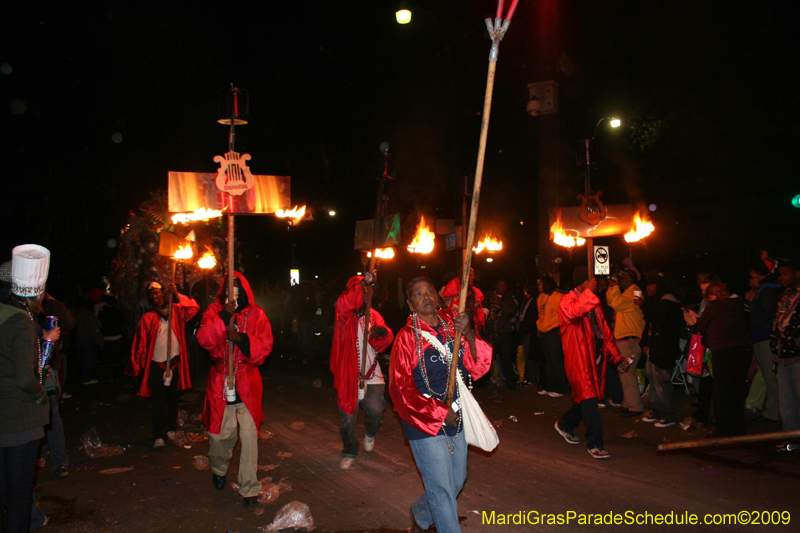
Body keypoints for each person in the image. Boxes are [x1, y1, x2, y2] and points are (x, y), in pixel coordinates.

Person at [389, 277, 491, 533]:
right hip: (424, 422)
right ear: (410, 304)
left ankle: (421, 512)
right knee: (442, 490)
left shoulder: (452, 324)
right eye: (418, 294)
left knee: (456, 481)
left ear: (437, 296)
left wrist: (469, 333)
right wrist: (440, 413)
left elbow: (477, 367)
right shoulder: (407, 337)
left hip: (457, 416)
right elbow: (400, 390)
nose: (425, 297)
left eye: (429, 291)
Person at [196, 272, 273, 508]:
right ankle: (219, 469)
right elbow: (204, 339)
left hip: (247, 382)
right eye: (230, 287)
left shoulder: (257, 314)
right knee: (220, 437)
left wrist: (242, 339)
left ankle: (249, 489)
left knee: (249, 439)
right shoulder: (214, 310)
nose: (234, 291)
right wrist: (224, 317)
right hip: (221, 381)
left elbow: (264, 348)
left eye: (237, 287)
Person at [0, 244, 52, 532]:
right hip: (18, 419)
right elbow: (24, 378)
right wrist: (40, 394)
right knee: (19, 498)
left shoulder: (4, 312)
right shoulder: (22, 323)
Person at [554, 267, 623, 460]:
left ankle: (565, 424)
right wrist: (589, 294)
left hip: (595, 359)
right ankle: (595, 442)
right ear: (583, 282)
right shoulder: (567, 301)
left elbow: (605, 334)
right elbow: (575, 313)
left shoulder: (593, 303)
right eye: (591, 280)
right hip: (578, 359)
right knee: (589, 396)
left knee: (585, 398)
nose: (594, 283)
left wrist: (617, 359)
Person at [330, 272, 394, 470]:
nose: (365, 294)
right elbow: (344, 302)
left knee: (376, 411)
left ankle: (370, 433)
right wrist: (365, 281)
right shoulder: (343, 315)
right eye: (360, 291)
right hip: (348, 376)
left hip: (372, 374)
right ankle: (349, 451)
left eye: (368, 291)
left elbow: (383, 342)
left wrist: (383, 333)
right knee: (347, 419)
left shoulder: (374, 315)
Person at [127, 281, 199, 449]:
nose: (155, 296)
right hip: (156, 365)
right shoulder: (147, 318)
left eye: (157, 293)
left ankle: (170, 428)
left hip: (174, 363)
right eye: (152, 294)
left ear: (163, 294)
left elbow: (193, 308)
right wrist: (137, 368)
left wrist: (178, 294)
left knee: (172, 399)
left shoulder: (176, 311)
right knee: (158, 401)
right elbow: (140, 345)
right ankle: (158, 435)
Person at [686, 282, 751, 437]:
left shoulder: (715, 306)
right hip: (742, 352)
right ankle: (738, 429)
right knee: (736, 393)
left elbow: (703, 326)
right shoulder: (737, 304)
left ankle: (723, 430)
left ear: (711, 296)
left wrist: (694, 320)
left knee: (722, 394)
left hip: (723, 352)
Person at [640, 277, 683, 427]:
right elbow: (650, 325)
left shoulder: (668, 303)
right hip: (654, 349)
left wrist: (643, 305)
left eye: (652, 284)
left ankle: (668, 415)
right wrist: (645, 344)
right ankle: (657, 412)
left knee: (662, 383)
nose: (649, 288)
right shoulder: (658, 302)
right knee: (653, 381)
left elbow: (658, 319)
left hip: (663, 349)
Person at [606, 269, 646, 416]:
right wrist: (612, 287)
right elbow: (611, 301)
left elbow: (617, 304)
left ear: (631, 279)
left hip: (629, 339)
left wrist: (615, 287)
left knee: (628, 373)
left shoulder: (635, 291)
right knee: (625, 373)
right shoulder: (626, 293)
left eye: (623, 277)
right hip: (624, 338)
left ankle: (635, 406)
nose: (621, 279)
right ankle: (628, 404)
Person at [746, 267, 783, 422]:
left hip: (766, 337)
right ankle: (772, 411)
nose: (750, 281)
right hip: (760, 337)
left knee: (770, 377)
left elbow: (763, 316)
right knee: (767, 376)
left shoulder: (768, 292)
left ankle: (777, 413)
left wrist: (751, 303)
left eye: (753, 277)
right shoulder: (764, 291)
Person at [771, 263, 800, 439]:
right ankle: (791, 440)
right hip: (782, 356)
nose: (781, 277)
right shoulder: (785, 296)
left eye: (785, 273)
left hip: (797, 357)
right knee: (787, 403)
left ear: (797, 274)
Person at [536, 276, 568, 397]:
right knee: (548, 361)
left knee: (556, 360)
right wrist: (539, 328)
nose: (538, 286)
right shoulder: (540, 297)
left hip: (553, 331)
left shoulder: (558, 297)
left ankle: (561, 388)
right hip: (543, 331)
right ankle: (549, 387)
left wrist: (559, 328)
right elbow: (540, 314)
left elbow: (563, 313)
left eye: (540, 284)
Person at [486, 279, 518, 389]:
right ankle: (484, 382)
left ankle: (511, 383)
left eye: (504, 285)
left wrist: (500, 303)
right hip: (491, 332)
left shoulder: (508, 299)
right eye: (500, 285)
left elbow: (512, 311)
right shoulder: (489, 297)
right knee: (488, 358)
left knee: (506, 358)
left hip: (504, 332)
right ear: (496, 286)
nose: (502, 287)